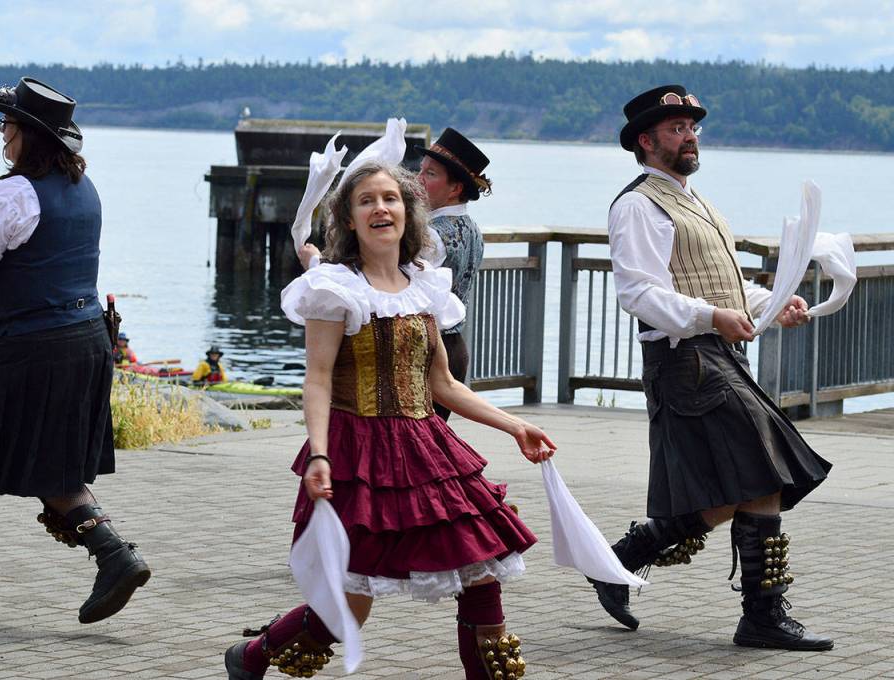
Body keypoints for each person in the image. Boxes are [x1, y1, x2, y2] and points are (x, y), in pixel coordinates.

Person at [223, 161, 555, 680]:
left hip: (428, 448)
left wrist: (514, 425)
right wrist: (318, 454)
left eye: (390, 198)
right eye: (367, 201)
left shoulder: (425, 284)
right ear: (348, 219)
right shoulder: (334, 288)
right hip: (359, 455)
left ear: (407, 211)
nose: (380, 208)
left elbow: (443, 385)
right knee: (350, 604)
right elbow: (318, 378)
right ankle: (251, 657)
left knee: (481, 570)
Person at [586, 85, 833, 651]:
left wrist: (770, 303)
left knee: (738, 487)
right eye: (676, 129)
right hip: (685, 362)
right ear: (646, 142)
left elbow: (721, 283)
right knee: (765, 475)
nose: (690, 136)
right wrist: (710, 317)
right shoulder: (637, 205)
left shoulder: (696, 202)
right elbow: (639, 293)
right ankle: (761, 617)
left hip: (717, 357)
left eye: (692, 127)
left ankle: (622, 558)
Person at [0, 77, 150, 628]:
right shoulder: (85, 189)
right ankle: (106, 558)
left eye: (6, 124)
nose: (2, 134)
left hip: (30, 348)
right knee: (29, 463)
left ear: (27, 134)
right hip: (87, 342)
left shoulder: (11, 195)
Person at [415, 128, 491, 420]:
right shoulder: (473, 229)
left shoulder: (430, 235)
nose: (418, 179)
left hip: (428, 353)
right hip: (456, 348)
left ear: (455, 188)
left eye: (430, 173)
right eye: (421, 170)